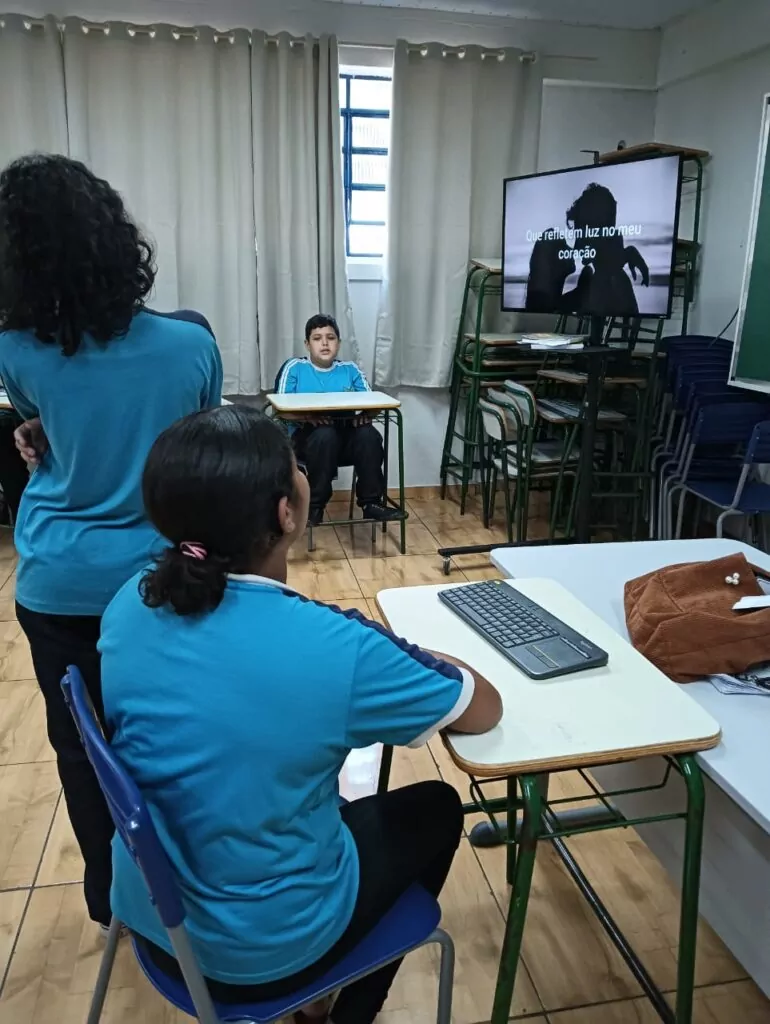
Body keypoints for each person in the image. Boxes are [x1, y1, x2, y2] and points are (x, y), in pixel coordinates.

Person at [99, 406, 503, 1024]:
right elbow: (480, 709)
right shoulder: (333, 647)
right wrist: (402, 652)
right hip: (265, 950)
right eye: (295, 465)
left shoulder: (130, 601)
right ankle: (332, 1010)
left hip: (153, 914)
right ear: (286, 512)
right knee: (437, 808)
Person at [0, 153, 223, 931]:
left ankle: (115, 900)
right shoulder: (191, 346)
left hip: (57, 583)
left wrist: (39, 430)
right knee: (182, 742)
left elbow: (49, 422)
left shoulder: (17, 352)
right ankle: (197, 892)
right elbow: (204, 451)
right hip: (164, 581)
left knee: (85, 756)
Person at [276, 313, 400, 526]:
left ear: (339, 343)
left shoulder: (349, 370)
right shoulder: (295, 367)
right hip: (305, 439)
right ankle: (314, 507)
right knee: (325, 435)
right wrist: (305, 416)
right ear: (307, 344)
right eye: (317, 338)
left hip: (345, 437)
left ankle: (371, 503)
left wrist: (366, 416)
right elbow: (279, 409)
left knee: (368, 434)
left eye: (330, 338)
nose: (324, 343)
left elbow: (373, 402)